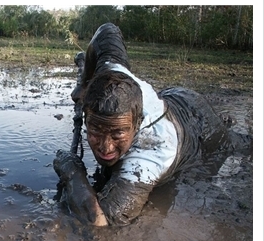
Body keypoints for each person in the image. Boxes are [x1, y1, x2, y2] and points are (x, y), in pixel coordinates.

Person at [53, 23, 251, 227]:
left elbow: (101, 221)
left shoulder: (151, 152)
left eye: (118, 133)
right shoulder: (111, 73)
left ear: (138, 124)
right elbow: (106, 31)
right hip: (173, 96)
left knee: (237, 145)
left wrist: (71, 171)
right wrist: (84, 84)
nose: (106, 146)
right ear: (86, 115)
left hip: (202, 131)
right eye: (95, 129)